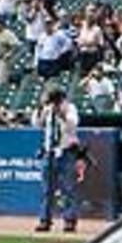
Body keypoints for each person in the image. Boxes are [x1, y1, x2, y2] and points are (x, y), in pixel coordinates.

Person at [37, 84, 83, 234]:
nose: (54, 103)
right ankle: (45, 219)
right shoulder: (47, 109)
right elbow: (38, 124)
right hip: (49, 151)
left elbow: (72, 125)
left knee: (68, 188)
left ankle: (69, 220)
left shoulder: (70, 108)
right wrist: (42, 110)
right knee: (47, 188)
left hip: (66, 151)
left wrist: (61, 113)